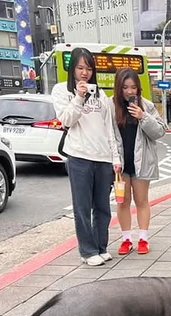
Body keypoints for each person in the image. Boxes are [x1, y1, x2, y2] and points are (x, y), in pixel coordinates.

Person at [51, 47, 120, 267]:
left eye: (89, 68)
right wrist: (79, 97)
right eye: (80, 68)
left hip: (103, 158)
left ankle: (101, 246)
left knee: (102, 206)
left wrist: (115, 158)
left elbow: (109, 129)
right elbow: (67, 120)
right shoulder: (62, 91)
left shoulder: (101, 95)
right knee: (82, 206)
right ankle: (87, 251)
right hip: (79, 156)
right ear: (73, 69)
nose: (85, 73)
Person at [111, 68, 167, 256]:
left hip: (141, 162)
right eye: (125, 87)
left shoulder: (147, 106)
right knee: (123, 201)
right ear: (119, 88)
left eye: (134, 87)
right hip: (120, 164)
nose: (130, 91)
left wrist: (143, 116)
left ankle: (143, 238)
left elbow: (159, 131)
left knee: (141, 200)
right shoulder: (111, 107)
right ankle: (126, 239)